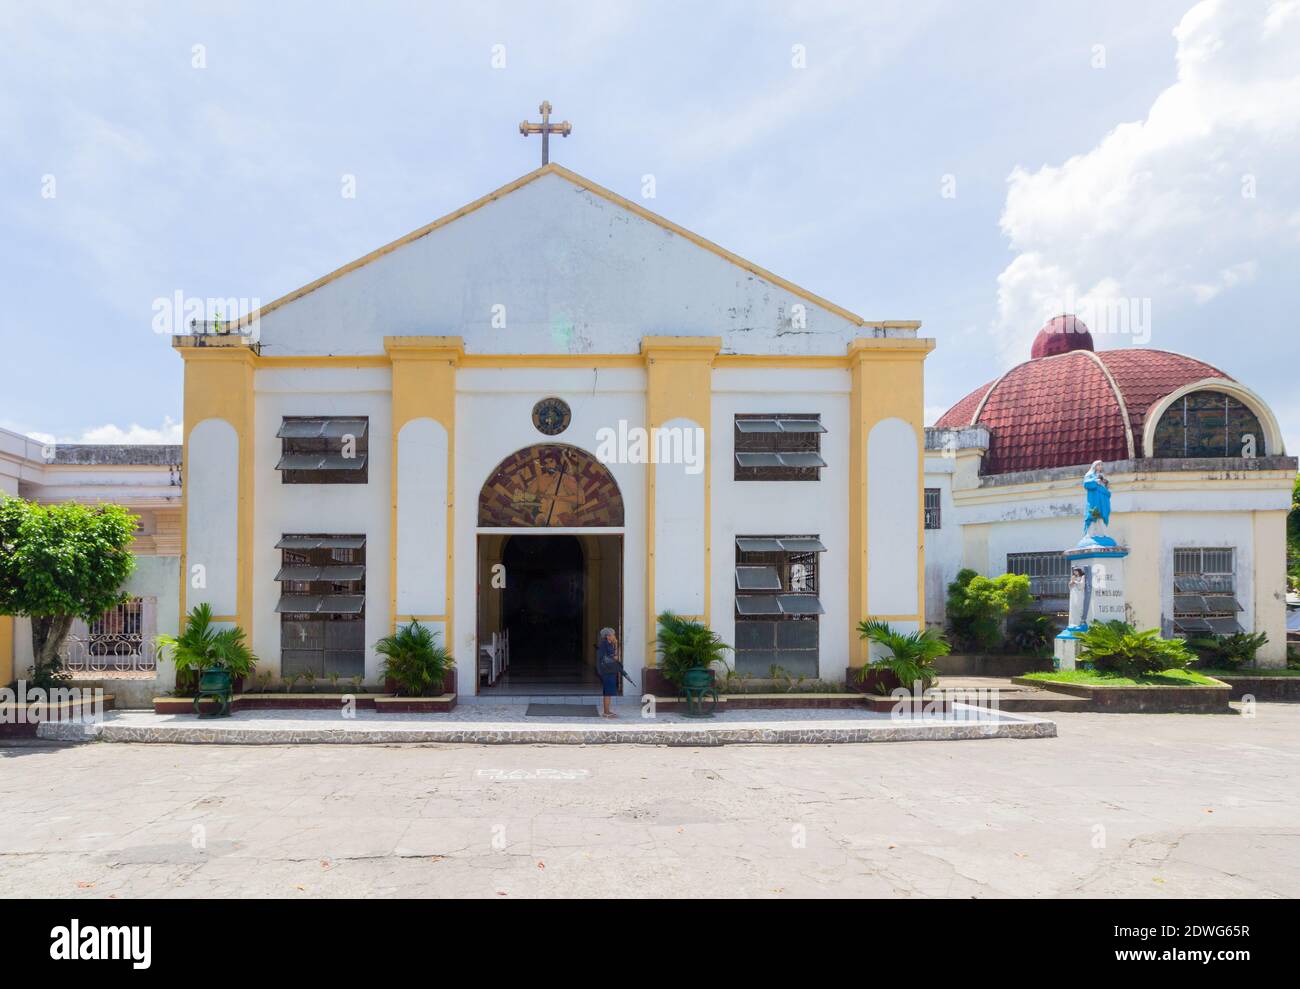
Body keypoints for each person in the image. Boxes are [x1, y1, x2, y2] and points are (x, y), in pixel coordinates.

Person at [596, 627, 622, 719]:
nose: (614, 636)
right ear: (608, 636)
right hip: (607, 671)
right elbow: (612, 658)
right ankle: (606, 712)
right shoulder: (605, 644)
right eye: (613, 634)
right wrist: (617, 647)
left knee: (608, 691)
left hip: (608, 670)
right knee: (607, 691)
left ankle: (607, 711)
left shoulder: (607, 644)